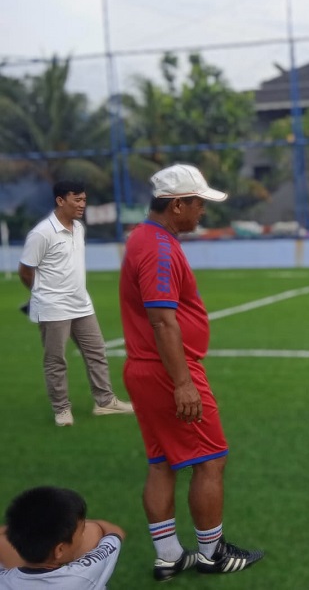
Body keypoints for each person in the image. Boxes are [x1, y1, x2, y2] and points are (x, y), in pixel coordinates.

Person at [118, 164, 264, 580]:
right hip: (167, 372)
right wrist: (183, 383)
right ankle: (212, 554)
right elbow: (162, 320)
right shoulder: (159, 248)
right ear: (176, 204)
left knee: (161, 462)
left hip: (145, 369)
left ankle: (169, 556)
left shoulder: (146, 238)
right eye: (197, 203)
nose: (202, 210)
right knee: (211, 461)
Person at [18, 180, 134, 426]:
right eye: (77, 200)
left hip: (82, 304)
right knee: (56, 360)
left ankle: (105, 402)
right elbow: (25, 270)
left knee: (97, 352)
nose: (82, 204)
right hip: (53, 307)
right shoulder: (42, 233)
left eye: (84, 199)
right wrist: (41, 294)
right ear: (60, 201)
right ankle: (62, 409)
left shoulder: (79, 228)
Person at [0, 486, 125, 589]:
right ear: (59, 550)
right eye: (81, 532)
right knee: (93, 531)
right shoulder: (82, 575)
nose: (82, 535)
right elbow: (115, 532)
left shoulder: (4, 580)